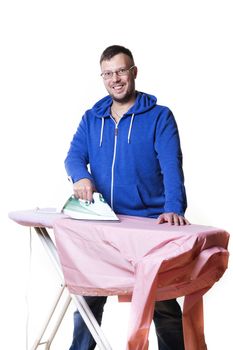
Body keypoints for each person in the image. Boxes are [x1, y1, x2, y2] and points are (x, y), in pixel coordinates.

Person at [65, 45, 189, 350]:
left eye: (121, 71)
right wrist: (82, 176)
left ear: (133, 72)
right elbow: (74, 157)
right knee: (88, 297)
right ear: (102, 77)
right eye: (108, 73)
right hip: (105, 222)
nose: (115, 79)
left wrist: (173, 207)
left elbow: (171, 166)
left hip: (148, 224)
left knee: (162, 303)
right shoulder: (91, 119)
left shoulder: (159, 117)